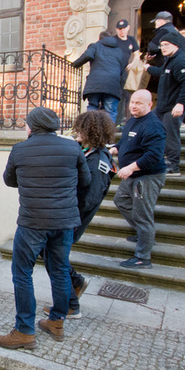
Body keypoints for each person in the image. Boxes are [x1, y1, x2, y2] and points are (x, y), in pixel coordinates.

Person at [0, 107, 91, 347]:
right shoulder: (72, 147)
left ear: (31, 126)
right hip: (64, 221)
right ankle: (56, 321)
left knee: (22, 273)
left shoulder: (20, 149)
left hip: (33, 222)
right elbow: (86, 180)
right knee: (59, 270)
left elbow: (9, 180)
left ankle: (25, 330)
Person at [44, 110, 117, 318]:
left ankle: (71, 304)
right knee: (51, 255)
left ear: (91, 131)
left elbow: (89, 199)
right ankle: (75, 283)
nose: (77, 132)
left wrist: (66, 212)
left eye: (81, 129)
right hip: (65, 214)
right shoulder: (85, 151)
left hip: (71, 218)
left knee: (55, 259)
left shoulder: (98, 161)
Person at [110, 90, 167, 269]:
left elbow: (154, 156)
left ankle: (143, 258)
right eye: (132, 102)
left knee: (143, 217)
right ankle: (144, 235)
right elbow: (125, 142)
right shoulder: (132, 120)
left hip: (146, 177)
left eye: (139, 103)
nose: (133, 106)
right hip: (133, 175)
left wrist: (130, 167)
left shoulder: (153, 126)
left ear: (150, 105)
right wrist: (114, 149)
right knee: (120, 200)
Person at [147, 31, 185, 176]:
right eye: (161, 45)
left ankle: (173, 165)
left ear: (176, 45)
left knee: (171, 135)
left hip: (173, 107)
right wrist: (148, 68)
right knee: (150, 126)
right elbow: (163, 71)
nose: (163, 48)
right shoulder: (170, 60)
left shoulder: (181, 61)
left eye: (166, 45)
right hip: (162, 107)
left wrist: (180, 104)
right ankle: (156, 158)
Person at [71, 31, 127, 122]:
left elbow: (87, 55)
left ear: (99, 38)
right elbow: (123, 67)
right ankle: (108, 134)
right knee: (110, 111)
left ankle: (90, 132)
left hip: (95, 83)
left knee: (93, 107)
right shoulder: (119, 51)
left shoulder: (95, 45)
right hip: (112, 84)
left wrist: (75, 64)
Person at [113, 19, 140, 126]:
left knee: (127, 95)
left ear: (128, 28)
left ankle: (124, 119)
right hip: (115, 70)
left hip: (125, 71)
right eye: (119, 29)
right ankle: (116, 120)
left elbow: (137, 55)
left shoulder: (131, 40)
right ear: (116, 29)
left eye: (124, 28)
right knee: (117, 95)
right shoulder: (114, 40)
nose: (122, 31)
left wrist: (133, 63)